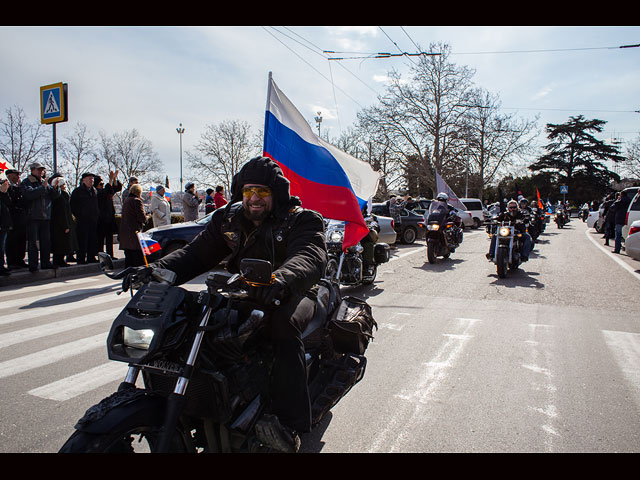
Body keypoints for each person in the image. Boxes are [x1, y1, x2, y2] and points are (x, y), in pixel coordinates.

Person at [152, 156, 327, 452]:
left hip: (296, 290)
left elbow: (310, 255)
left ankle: (290, 423)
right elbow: (196, 255)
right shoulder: (229, 219)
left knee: (281, 325)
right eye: (248, 191)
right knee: (197, 322)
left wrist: (281, 279)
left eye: (262, 191)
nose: (254, 198)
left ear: (276, 193)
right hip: (244, 291)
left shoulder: (301, 218)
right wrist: (157, 270)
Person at [21, 162, 60, 272]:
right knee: (33, 243)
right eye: (38, 170)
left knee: (46, 242)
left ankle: (46, 262)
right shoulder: (27, 182)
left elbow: (55, 196)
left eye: (42, 170)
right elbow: (29, 194)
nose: (41, 172)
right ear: (32, 170)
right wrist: (43, 188)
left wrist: (56, 188)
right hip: (33, 217)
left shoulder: (44, 183)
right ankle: (33, 265)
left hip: (45, 217)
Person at [70, 172, 100, 264]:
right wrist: (80, 215)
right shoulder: (77, 191)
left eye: (92, 179)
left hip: (93, 219)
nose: (91, 180)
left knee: (92, 239)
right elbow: (72, 206)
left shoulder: (94, 190)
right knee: (82, 240)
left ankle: (91, 257)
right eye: (89, 179)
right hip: (82, 220)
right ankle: (81, 258)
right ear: (83, 180)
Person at [49, 174, 78, 267]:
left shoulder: (63, 196)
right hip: (60, 225)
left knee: (63, 243)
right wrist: (65, 225)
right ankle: (58, 260)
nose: (65, 186)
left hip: (61, 224)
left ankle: (60, 260)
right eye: (63, 184)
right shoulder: (60, 197)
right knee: (60, 244)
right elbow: (62, 213)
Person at [118, 183, 147, 267]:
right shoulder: (136, 201)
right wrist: (147, 217)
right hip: (134, 233)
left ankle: (128, 276)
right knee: (138, 258)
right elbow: (141, 218)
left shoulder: (126, 200)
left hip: (125, 233)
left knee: (129, 258)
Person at [4, 168, 27, 269]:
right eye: (15, 175)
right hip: (12, 217)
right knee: (12, 240)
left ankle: (19, 260)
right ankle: (12, 261)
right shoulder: (6, 186)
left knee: (21, 240)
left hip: (21, 217)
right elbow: (10, 201)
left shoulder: (19, 187)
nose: (18, 176)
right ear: (9, 176)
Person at [96, 171, 122, 258]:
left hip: (109, 218)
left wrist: (114, 179)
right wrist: (110, 180)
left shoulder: (106, 191)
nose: (102, 185)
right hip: (101, 219)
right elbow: (107, 191)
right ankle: (101, 255)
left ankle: (110, 255)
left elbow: (115, 189)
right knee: (100, 239)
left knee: (109, 239)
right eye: (100, 184)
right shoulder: (97, 193)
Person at [0, 177, 12, 276]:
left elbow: (9, 203)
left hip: (3, 222)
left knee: (1, 246)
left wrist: (4, 193)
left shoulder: (3, 188)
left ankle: (1, 266)